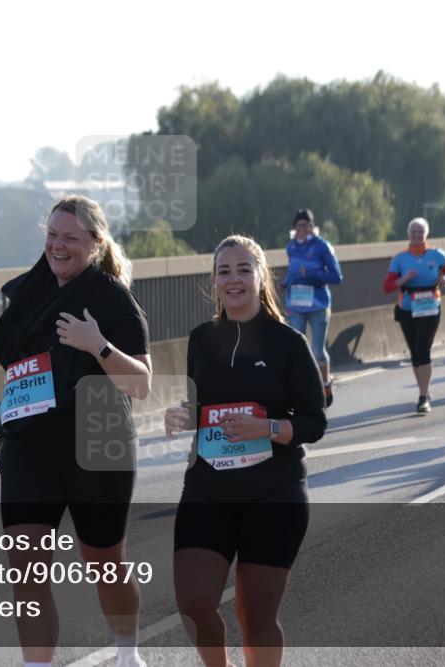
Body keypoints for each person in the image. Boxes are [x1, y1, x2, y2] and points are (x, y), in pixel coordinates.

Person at [0, 194, 152, 667]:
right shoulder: (32, 291)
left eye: (70, 237)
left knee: (104, 564)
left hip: (96, 442)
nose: (57, 246)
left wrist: (98, 345)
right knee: (25, 569)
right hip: (30, 444)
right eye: (51, 235)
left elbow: (141, 383)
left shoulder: (111, 298)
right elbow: (15, 358)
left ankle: (128, 654)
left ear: (94, 243)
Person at [164, 234, 326, 667]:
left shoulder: (288, 343)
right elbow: (203, 408)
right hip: (208, 490)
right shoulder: (200, 340)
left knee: (255, 616)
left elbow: (315, 422)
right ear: (213, 281)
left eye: (243, 269)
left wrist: (267, 427)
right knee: (194, 606)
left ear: (260, 278)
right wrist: (182, 416)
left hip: (273, 493)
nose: (233, 279)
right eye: (223, 271)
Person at [383, 218, 445, 413]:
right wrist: (404, 279)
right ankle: (424, 389)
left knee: (423, 349)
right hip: (407, 307)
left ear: (426, 234)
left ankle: (423, 396)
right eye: (413, 232)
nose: (416, 235)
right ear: (408, 234)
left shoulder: (436, 254)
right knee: (415, 352)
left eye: (420, 232)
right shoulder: (400, 258)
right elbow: (387, 287)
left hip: (431, 306)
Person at [284, 209, 343, 407]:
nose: (303, 229)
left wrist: (312, 273)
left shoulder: (322, 246)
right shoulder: (291, 247)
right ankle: (304, 389)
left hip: (318, 303)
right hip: (296, 303)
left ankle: (325, 384)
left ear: (312, 227)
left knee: (317, 350)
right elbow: (292, 273)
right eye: (300, 225)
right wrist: (283, 284)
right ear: (295, 228)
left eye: (307, 225)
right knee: (297, 348)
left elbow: (336, 277)